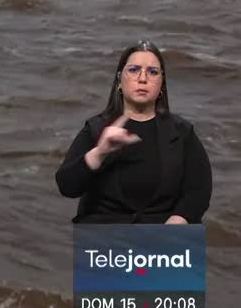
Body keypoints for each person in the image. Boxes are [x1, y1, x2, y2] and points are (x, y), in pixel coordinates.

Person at [55, 40, 212, 224]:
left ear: (161, 83)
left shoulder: (182, 132)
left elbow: (198, 190)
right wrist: (99, 153)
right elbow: (67, 187)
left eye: (152, 72)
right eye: (134, 70)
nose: (143, 78)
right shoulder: (96, 129)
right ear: (119, 81)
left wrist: (177, 222)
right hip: (104, 235)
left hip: (164, 235)